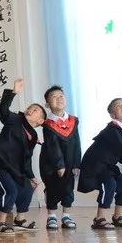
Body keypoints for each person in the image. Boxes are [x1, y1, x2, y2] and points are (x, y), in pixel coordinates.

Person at [0, 78, 45, 235]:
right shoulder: (15, 119)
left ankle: (20, 219)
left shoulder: (34, 135)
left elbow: (26, 158)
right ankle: (0, 222)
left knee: (27, 188)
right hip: (0, 162)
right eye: (30, 107)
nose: (31, 109)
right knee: (11, 191)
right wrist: (13, 92)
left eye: (35, 110)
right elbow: (2, 110)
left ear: (40, 120)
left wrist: (31, 176)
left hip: (16, 168)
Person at [77, 98, 122, 229]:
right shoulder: (112, 129)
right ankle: (99, 218)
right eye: (118, 106)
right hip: (96, 165)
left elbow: (118, 151)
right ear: (112, 115)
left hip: (108, 165)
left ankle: (117, 217)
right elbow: (120, 146)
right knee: (109, 185)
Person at [40, 85, 82, 230]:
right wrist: (59, 165)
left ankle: (66, 216)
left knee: (68, 188)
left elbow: (77, 143)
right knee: (52, 187)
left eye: (61, 96)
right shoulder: (48, 124)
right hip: (51, 162)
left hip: (70, 160)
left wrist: (77, 163)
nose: (59, 99)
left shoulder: (73, 121)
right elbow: (52, 146)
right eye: (54, 97)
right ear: (47, 104)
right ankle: (51, 216)